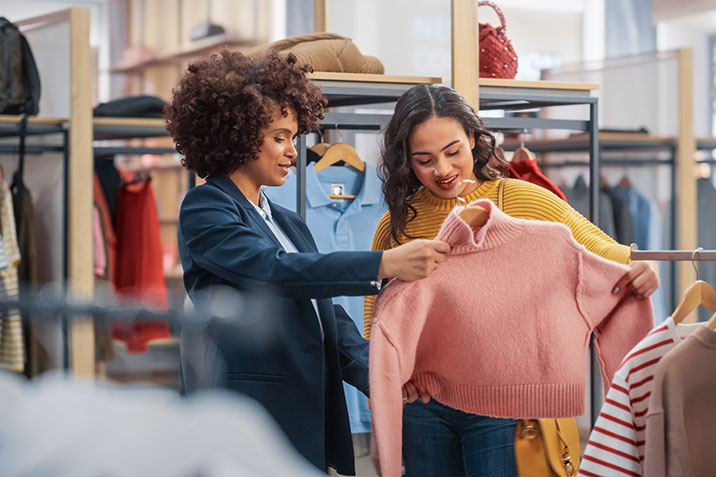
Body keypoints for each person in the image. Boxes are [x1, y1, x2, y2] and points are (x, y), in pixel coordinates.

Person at [165, 51, 442, 475]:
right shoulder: (205, 208)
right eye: (279, 137)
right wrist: (383, 263)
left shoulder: (287, 222)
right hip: (249, 417)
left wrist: (381, 376)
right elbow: (272, 271)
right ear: (236, 135)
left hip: (303, 411)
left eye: (293, 138)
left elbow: (322, 312)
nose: (292, 152)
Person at [363, 84, 660, 476]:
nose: (443, 170)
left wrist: (642, 269)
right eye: (425, 159)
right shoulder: (397, 224)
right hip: (423, 406)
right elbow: (376, 319)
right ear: (407, 161)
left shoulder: (524, 199)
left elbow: (606, 252)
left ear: (472, 138)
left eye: (453, 152)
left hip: (504, 406)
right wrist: (388, 392)